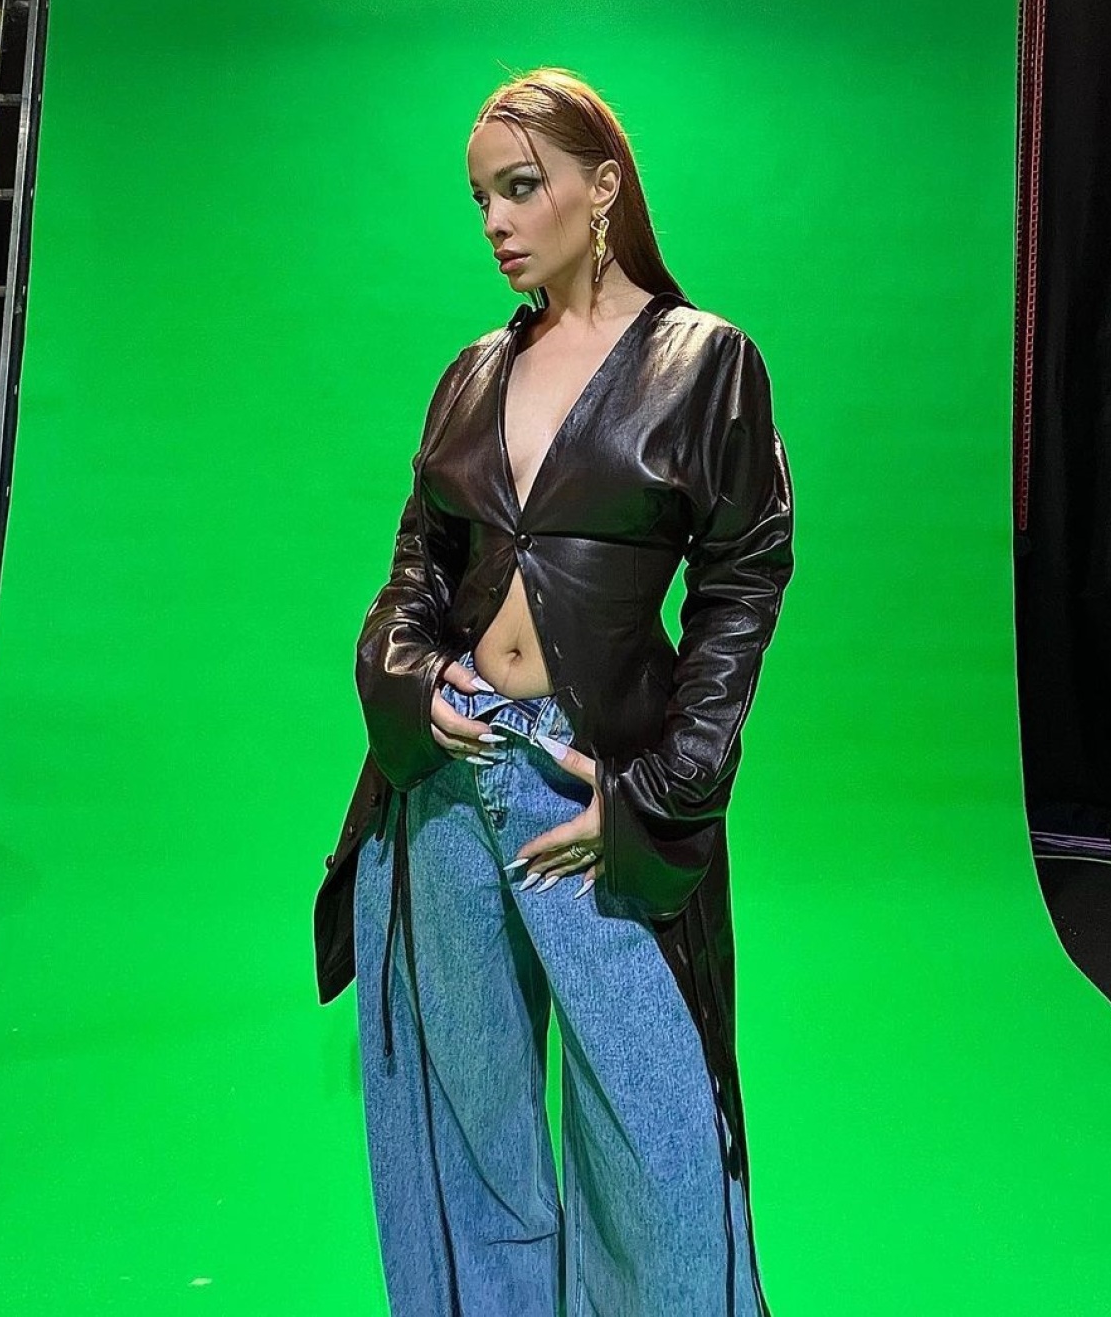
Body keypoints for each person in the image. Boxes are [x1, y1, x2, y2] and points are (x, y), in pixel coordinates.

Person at [313, 67, 795, 1317]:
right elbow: (418, 568)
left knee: (659, 1150)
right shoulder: (473, 370)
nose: (496, 220)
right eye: (480, 196)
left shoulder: (705, 364)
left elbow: (743, 580)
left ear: (603, 187)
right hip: (441, 789)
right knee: (467, 1146)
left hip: (585, 790)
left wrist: (668, 788)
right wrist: (404, 677)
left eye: (521, 187)